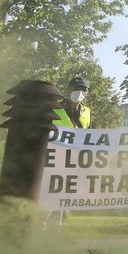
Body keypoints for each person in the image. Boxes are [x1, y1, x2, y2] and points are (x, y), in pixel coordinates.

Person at [46, 75, 92, 230]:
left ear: (87, 93)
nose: (79, 92)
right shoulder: (55, 107)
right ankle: (41, 227)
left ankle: (56, 229)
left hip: (73, 159)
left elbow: (89, 134)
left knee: (66, 195)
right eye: (76, 88)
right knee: (51, 192)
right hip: (54, 156)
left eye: (83, 89)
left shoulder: (87, 112)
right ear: (69, 90)